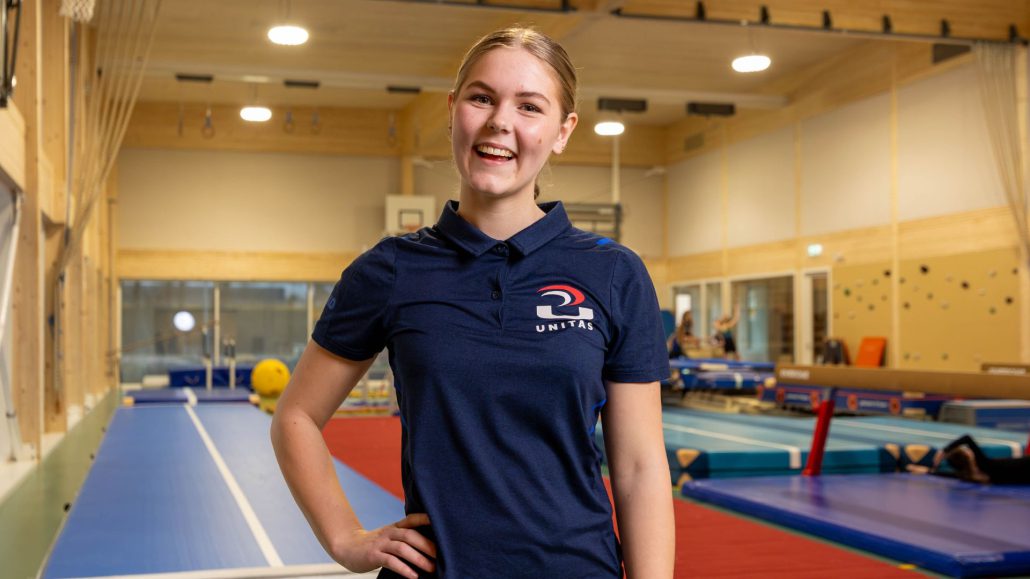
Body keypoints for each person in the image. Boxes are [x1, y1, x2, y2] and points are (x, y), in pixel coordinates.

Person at [270, 27, 674, 579]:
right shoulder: (390, 270)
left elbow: (640, 467)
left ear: (562, 131)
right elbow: (295, 416)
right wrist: (345, 538)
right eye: (482, 97)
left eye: (529, 106)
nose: (500, 122)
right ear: (453, 110)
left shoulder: (613, 272)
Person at [929, 434, 1030, 485]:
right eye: (967, 451)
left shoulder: (968, 476)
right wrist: (944, 451)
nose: (969, 451)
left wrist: (931, 471)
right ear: (968, 457)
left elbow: (947, 474)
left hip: (1023, 476)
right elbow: (967, 438)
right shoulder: (984, 464)